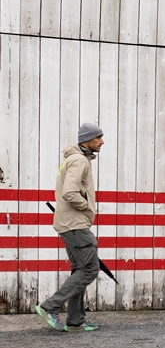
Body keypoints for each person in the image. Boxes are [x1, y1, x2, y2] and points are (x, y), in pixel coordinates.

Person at [35, 123, 105, 332]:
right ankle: (50, 306)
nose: (102, 142)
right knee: (90, 269)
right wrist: (86, 207)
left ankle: (75, 321)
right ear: (87, 139)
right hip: (75, 224)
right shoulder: (79, 160)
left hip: (68, 223)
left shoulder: (73, 158)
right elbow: (69, 193)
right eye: (98, 138)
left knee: (80, 269)